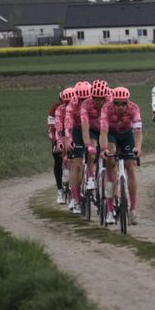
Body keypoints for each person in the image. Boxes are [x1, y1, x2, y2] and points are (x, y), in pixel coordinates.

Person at [100, 87, 142, 225]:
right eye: (117, 103)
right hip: (111, 134)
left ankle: (133, 209)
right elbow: (104, 132)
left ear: (127, 102)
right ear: (113, 103)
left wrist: (138, 147)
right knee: (110, 163)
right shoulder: (106, 108)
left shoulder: (134, 108)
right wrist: (104, 149)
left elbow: (137, 131)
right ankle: (110, 210)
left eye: (123, 103)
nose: (120, 107)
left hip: (127, 134)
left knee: (131, 166)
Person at [64, 81, 92, 214]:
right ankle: (75, 198)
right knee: (78, 165)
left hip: (92, 129)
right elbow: (68, 123)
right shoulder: (72, 104)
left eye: (85, 99)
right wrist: (69, 138)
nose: (83, 102)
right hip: (77, 131)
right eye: (80, 99)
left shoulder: (95, 101)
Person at [80, 79, 111, 198]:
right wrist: (88, 145)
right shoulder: (86, 104)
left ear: (106, 96)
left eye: (101, 98)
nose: (98, 101)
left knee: (110, 152)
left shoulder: (111, 102)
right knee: (92, 151)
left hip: (106, 129)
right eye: (95, 98)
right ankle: (91, 178)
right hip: (92, 129)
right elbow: (84, 126)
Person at [50, 87, 75, 204]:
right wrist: (56, 141)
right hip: (59, 134)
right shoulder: (55, 109)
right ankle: (60, 190)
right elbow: (51, 128)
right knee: (57, 158)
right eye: (65, 102)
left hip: (73, 134)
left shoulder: (77, 107)